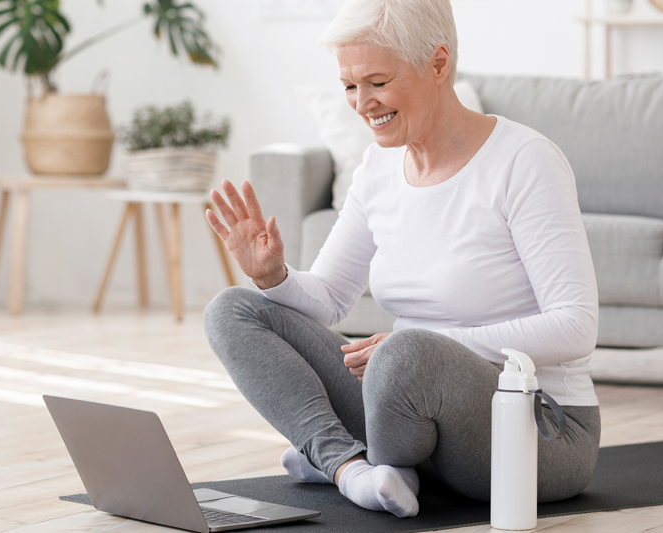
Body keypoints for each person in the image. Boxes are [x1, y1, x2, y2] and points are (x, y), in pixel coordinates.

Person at [203, 0, 600, 518]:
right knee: (233, 309)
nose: (362, 102)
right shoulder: (379, 165)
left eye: (378, 82)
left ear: (438, 64)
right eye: (350, 86)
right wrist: (271, 275)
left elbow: (576, 327)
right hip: (402, 412)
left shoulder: (525, 161)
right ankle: (349, 466)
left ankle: (360, 458)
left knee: (404, 351)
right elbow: (329, 297)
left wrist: (425, 347)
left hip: (537, 431)